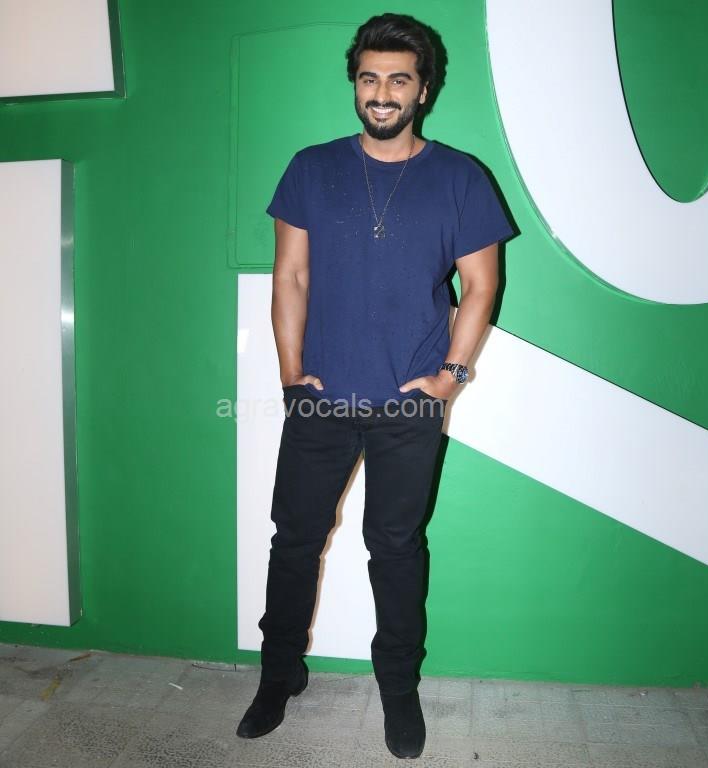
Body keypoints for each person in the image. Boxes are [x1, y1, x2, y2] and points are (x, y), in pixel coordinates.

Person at [236, 12, 514, 759]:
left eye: (398, 80)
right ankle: (278, 675)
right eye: (369, 78)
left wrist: (450, 378)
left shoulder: (460, 177)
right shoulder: (310, 168)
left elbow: (481, 286)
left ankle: (397, 687)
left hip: (408, 405)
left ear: (423, 90)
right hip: (321, 398)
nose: (381, 93)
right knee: (294, 541)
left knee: (394, 549)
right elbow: (290, 275)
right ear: (355, 85)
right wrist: (290, 374)